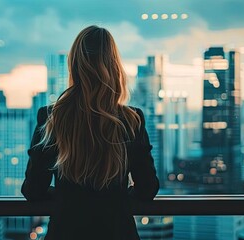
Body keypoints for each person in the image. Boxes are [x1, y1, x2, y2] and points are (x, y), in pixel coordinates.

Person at [21, 25, 159, 240]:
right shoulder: (131, 119)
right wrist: (117, 198)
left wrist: (68, 198)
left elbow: (33, 191)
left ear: (74, 65)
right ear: (114, 66)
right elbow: (147, 189)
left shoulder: (52, 118)